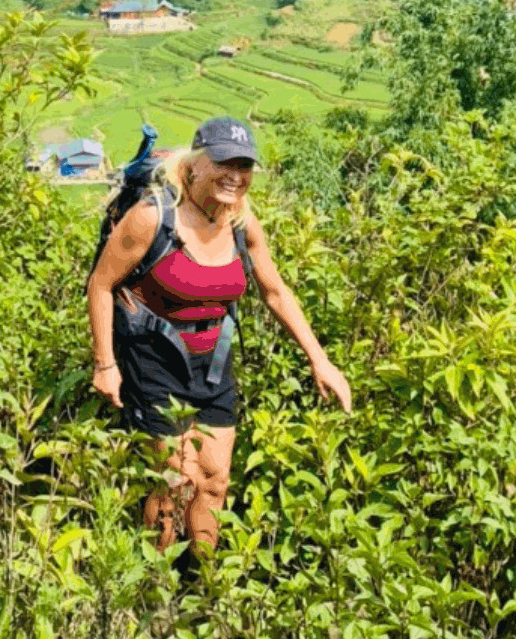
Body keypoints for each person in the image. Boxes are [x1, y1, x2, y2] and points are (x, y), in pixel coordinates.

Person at [87, 117, 352, 564]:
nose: (235, 174)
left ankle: (203, 583)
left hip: (213, 362)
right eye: (224, 162)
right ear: (193, 165)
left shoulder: (243, 224)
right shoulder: (153, 217)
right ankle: (156, 588)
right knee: (173, 480)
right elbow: (101, 285)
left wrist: (319, 360)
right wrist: (105, 364)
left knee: (213, 480)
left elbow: (275, 291)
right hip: (153, 360)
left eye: (244, 164)